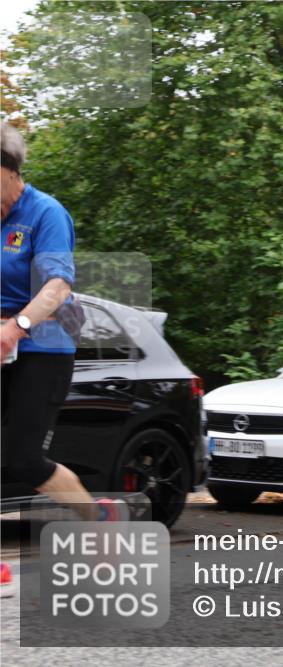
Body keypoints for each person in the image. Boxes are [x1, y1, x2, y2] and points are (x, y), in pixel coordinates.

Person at [1, 124, 127, 522]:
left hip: (42, 350)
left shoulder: (45, 213)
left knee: (24, 461)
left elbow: (57, 286)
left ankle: (99, 518)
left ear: (8, 170)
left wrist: (15, 326)